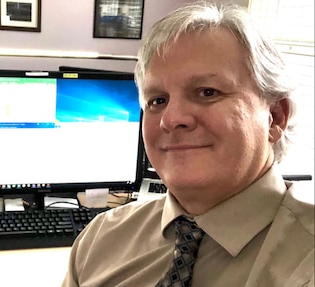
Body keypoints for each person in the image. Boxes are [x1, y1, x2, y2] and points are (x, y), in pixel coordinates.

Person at [61, 2, 314, 287]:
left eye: (207, 92)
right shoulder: (99, 241)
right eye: (157, 100)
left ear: (275, 117)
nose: (171, 119)